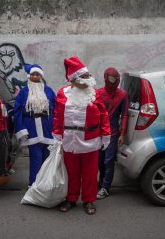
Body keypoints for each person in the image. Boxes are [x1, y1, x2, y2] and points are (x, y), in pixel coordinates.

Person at [52, 56, 110, 215]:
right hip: (69, 139)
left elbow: (103, 115)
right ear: (74, 79)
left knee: (90, 173)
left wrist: (106, 136)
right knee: (72, 172)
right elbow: (57, 114)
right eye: (83, 77)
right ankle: (71, 198)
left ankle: (89, 200)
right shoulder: (62, 94)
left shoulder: (95, 93)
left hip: (90, 140)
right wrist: (56, 133)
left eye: (88, 76)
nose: (87, 80)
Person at [14, 64, 56, 186]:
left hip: (47, 128)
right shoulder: (23, 92)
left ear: (41, 76)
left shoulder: (48, 91)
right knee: (35, 158)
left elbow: (56, 109)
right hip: (31, 129)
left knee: (47, 158)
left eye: (37, 74)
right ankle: (33, 185)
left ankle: (45, 184)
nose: (35, 76)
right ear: (29, 76)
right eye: (33, 74)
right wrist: (21, 129)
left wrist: (56, 127)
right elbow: (17, 111)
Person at [97, 67, 129, 199]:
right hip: (98, 133)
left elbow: (125, 114)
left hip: (113, 132)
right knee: (99, 161)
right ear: (106, 79)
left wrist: (122, 134)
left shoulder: (122, 94)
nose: (115, 81)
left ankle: (105, 187)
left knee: (108, 161)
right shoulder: (98, 93)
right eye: (112, 79)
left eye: (117, 79)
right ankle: (101, 183)